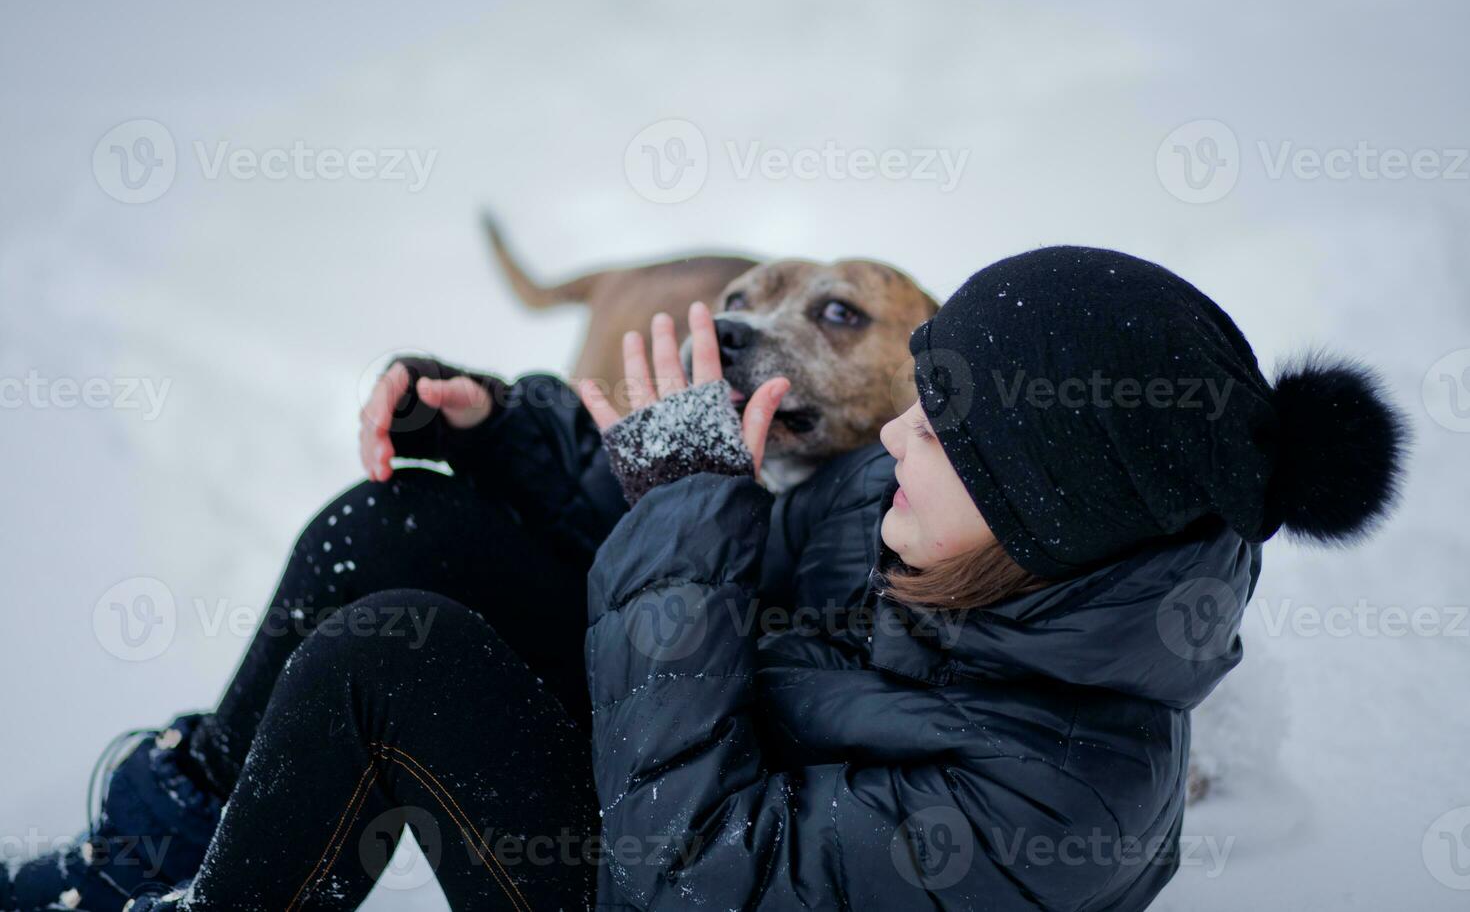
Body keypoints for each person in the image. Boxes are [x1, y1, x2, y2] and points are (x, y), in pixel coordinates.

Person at [4, 246, 1407, 911]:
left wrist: (688, 516)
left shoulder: (1062, 804)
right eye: (927, 399)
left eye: (949, 428)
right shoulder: (944, 518)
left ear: (1053, 520)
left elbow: (694, 872)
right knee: (402, 526)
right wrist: (512, 434)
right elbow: (738, 569)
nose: (904, 428)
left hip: (671, 875)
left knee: (396, 655)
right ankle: (156, 849)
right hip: (682, 768)